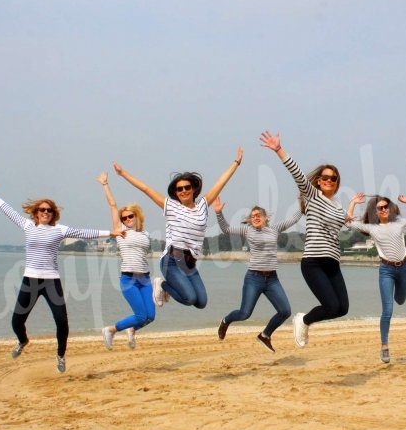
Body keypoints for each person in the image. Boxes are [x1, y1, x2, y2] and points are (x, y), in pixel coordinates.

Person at [0, 182, 123, 373]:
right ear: (36, 213)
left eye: (49, 210)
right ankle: (23, 341)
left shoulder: (60, 230)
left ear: (53, 213)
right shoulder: (27, 225)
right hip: (30, 280)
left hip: (51, 281)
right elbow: (9, 211)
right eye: (42, 210)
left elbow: (84, 233)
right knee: (16, 321)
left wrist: (111, 233)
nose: (45, 212)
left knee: (62, 321)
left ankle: (60, 355)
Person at [113, 148, 243, 312]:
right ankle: (162, 284)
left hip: (190, 264)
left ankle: (165, 287)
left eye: (187, 187)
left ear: (193, 188)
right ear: (175, 192)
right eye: (179, 189)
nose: (183, 191)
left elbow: (221, 183)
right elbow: (146, 189)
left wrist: (236, 163)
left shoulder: (203, 205)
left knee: (201, 302)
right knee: (190, 298)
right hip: (172, 261)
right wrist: (123, 173)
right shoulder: (171, 207)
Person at [259, 130, 349, 348]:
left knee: (342, 308)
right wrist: (279, 150)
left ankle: (304, 320)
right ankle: (303, 320)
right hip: (314, 262)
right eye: (325, 178)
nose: (329, 180)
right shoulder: (313, 195)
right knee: (329, 305)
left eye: (333, 178)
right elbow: (297, 174)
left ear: (337, 183)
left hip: (332, 263)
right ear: (318, 181)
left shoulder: (338, 206)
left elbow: (346, 223)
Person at [212, 197, 302, 352]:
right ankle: (226, 321)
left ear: (265, 218)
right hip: (254, 278)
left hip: (272, 279)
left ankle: (265, 335)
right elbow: (226, 229)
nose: (255, 217)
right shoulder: (247, 230)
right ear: (250, 220)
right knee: (244, 313)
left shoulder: (274, 229)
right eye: (253, 216)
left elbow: (293, 219)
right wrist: (219, 213)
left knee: (285, 311)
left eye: (258, 214)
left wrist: (302, 204)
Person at [346, 193, 406, 363]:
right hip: (386, 271)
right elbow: (349, 222)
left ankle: (397, 293)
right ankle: (384, 347)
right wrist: (353, 202)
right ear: (375, 212)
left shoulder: (399, 223)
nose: (383, 210)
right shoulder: (372, 228)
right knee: (388, 311)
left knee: (401, 300)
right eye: (380, 208)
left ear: (390, 208)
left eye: (386, 206)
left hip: (404, 268)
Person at [96, 172, 155, 350]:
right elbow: (113, 205)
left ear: (137, 216)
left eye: (130, 216)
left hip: (144, 279)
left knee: (150, 316)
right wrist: (105, 184)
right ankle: (111, 330)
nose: (127, 219)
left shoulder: (145, 234)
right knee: (140, 315)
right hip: (128, 279)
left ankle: (131, 330)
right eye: (124, 218)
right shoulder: (120, 231)